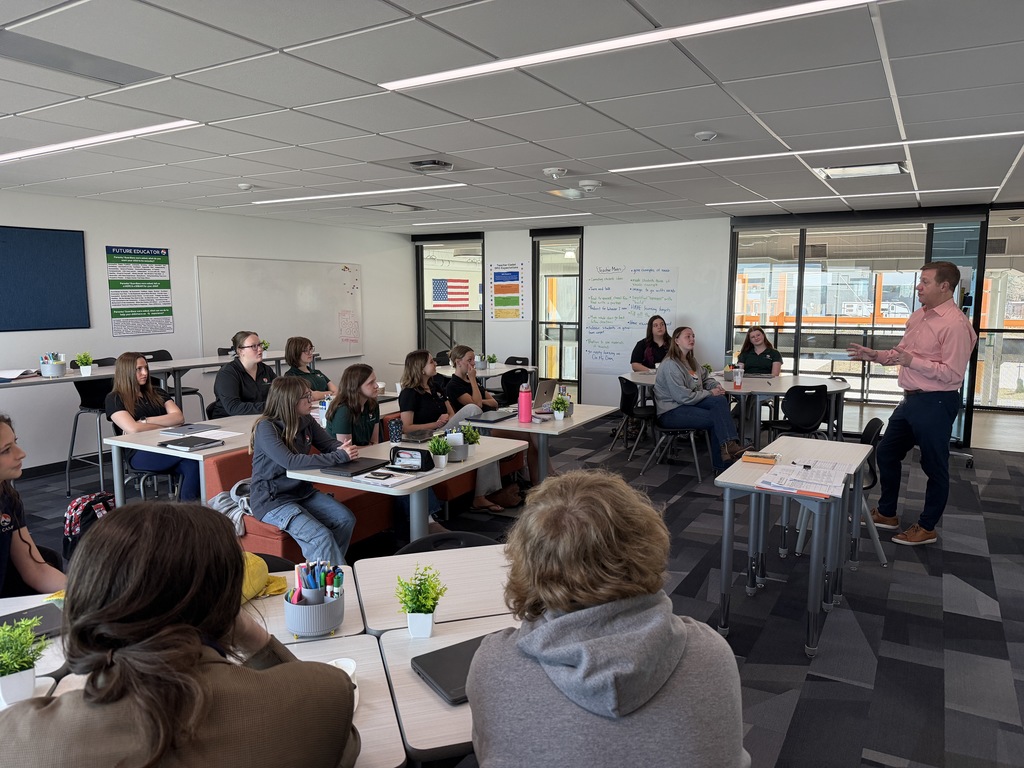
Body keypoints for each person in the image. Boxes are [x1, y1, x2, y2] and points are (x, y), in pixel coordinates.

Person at [0, 501, 360, 767]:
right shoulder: (321, 695)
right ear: (226, 606)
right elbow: (343, 749)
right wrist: (255, 639)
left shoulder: (20, 739)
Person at [467, 470, 749, 768]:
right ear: (647, 545)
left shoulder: (495, 664)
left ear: (528, 562)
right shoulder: (712, 654)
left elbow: (487, 751)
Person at [848, 261, 978, 546]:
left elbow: (953, 373)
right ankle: (887, 512)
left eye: (925, 282)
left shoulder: (956, 325)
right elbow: (902, 352)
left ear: (945, 287)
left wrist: (912, 362)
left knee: (934, 466)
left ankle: (927, 527)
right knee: (886, 453)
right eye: (920, 281)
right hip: (910, 400)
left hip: (937, 400)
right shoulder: (920, 316)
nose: (918, 287)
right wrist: (875, 355)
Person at [250, 377, 358, 564]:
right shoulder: (266, 427)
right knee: (320, 537)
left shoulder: (305, 419)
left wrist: (343, 448)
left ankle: (324, 572)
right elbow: (290, 462)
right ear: (290, 401)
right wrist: (340, 456)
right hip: (273, 500)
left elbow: (327, 444)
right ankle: (334, 584)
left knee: (345, 519)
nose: (311, 400)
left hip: (302, 492)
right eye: (306, 397)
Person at [399, 350, 506, 512]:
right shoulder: (409, 393)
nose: (435, 364)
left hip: (444, 430)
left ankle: (484, 492)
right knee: (472, 410)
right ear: (420, 368)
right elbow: (406, 428)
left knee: (482, 437)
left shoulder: (436, 387)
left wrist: (445, 422)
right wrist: (435, 424)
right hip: (427, 436)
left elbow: (452, 415)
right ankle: (484, 493)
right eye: (431, 362)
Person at [447, 344, 550, 490]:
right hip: (480, 428)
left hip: (492, 419)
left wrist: (477, 392)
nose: (473, 363)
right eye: (469, 360)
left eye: (473, 359)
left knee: (535, 433)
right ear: (458, 362)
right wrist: (473, 383)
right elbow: (476, 407)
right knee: (531, 437)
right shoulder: (454, 385)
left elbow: (494, 403)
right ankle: (539, 481)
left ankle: (540, 480)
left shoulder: (473, 381)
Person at [104, 352, 201, 501]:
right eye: (139, 369)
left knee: (194, 464)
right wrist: (166, 426)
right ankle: (189, 510)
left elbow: (178, 417)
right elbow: (133, 429)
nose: (145, 373)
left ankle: (188, 512)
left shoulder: (157, 392)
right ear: (126, 372)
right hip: (140, 453)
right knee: (195, 460)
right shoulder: (115, 398)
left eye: (146, 368)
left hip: (168, 444)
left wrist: (145, 421)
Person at [654, 326, 746, 473]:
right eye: (687, 336)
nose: (692, 339)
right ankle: (724, 463)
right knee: (718, 418)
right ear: (676, 340)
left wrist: (716, 385)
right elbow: (682, 397)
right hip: (671, 411)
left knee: (720, 401)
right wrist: (710, 393)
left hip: (687, 404)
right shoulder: (671, 364)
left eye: (693, 336)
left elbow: (705, 377)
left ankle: (728, 448)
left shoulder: (691, 360)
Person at [0, 414, 66, 598]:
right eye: (6, 450)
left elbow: (36, 570)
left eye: (15, 442)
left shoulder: (7, 499)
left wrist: (84, 594)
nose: (21, 453)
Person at [210, 330, 277, 417]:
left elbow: (280, 394)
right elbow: (233, 408)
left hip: (258, 417)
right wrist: (271, 407)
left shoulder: (266, 369)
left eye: (260, 345)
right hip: (229, 421)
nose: (260, 349)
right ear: (240, 351)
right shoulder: (227, 373)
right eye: (253, 346)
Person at [326, 363, 380, 446]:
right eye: (371, 383)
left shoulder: (372, 405)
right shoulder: (343, 410)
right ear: (356, 387)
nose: (376, 385)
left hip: (367, 454)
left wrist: (371, 447)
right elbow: (347, 450)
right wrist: (370, 447)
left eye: (375, 381)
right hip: (343, 458)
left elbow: (375, 443)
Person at [284, 336, 336, 401]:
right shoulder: (291, 376)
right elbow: (312, 396)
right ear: (295, 353)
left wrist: (323, 394)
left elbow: (337, 391)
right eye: (306, 350)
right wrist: (330, 393)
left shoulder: (317, 372)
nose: (310, 353)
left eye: (310, 349)